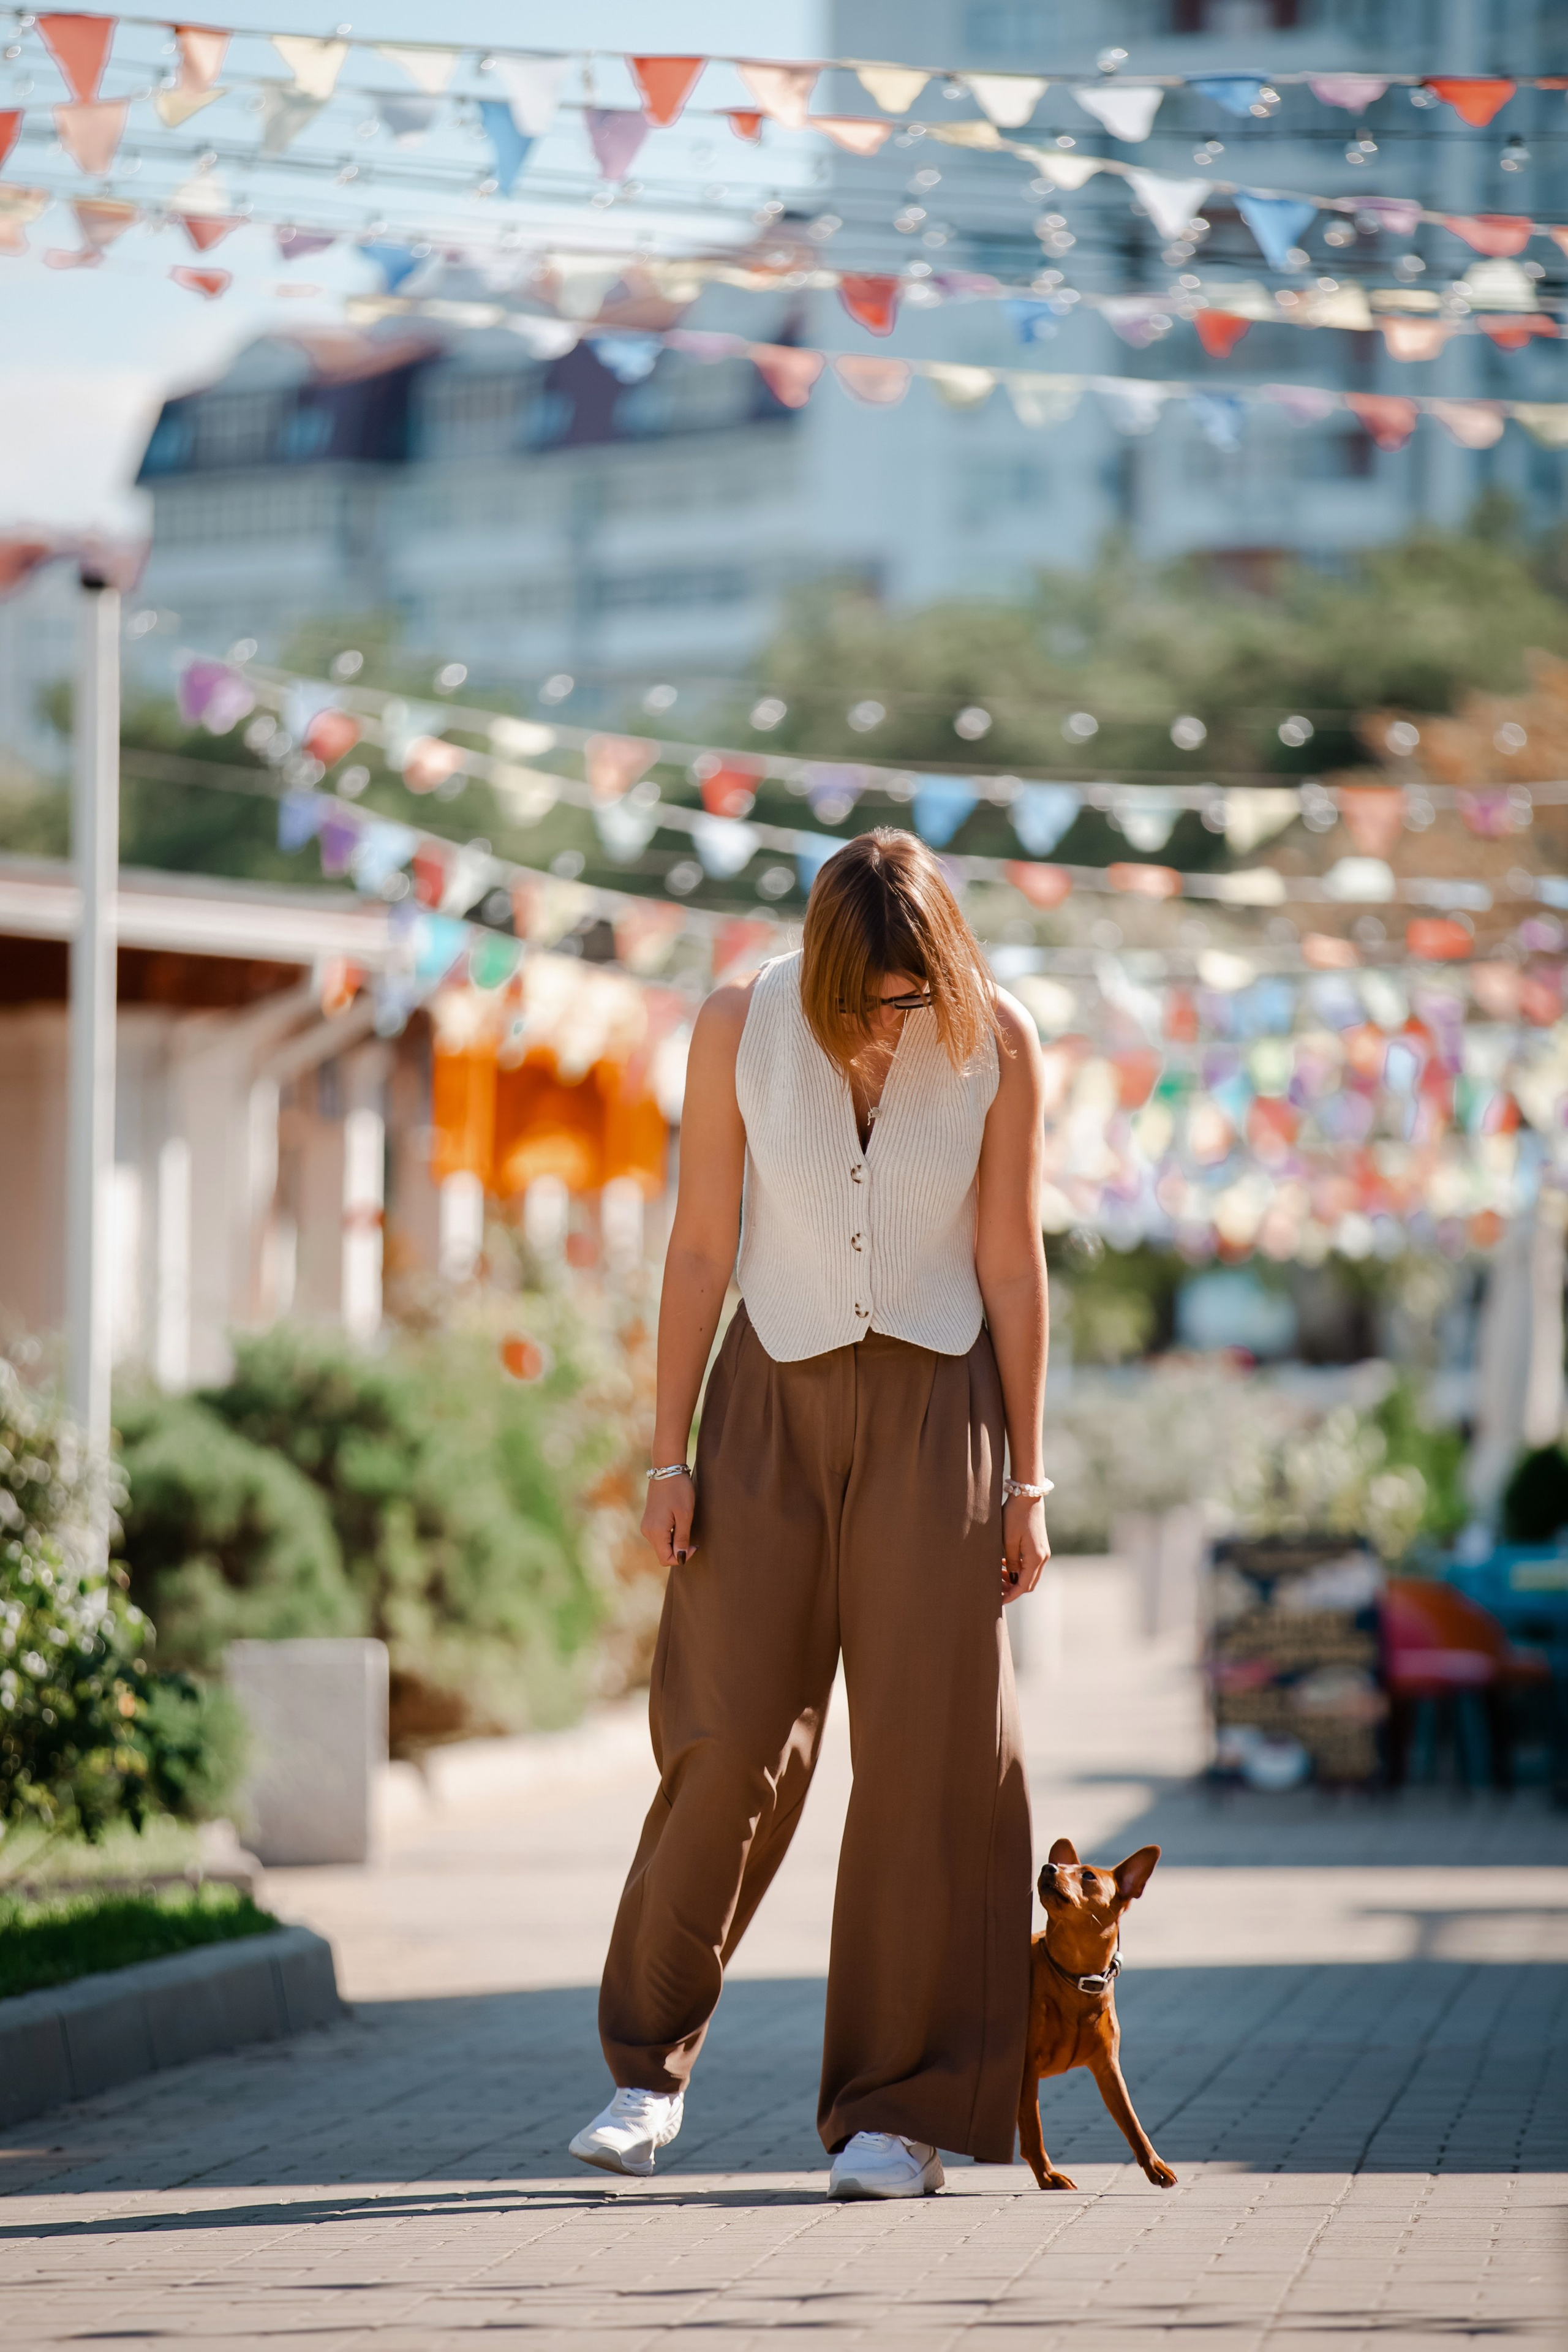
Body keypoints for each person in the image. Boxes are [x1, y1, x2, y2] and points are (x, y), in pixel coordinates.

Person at [570, 829, 1051, 2199]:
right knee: (721, 1741)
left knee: (927, 1763)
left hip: (938, 1410)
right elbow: (703, 1245)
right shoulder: (739, 1020)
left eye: (914, 996)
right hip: (764, 1408)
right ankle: (640, 2073)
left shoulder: (997, 1038)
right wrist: (668, 1455)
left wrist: (1026, 1479)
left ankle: (899, 2113)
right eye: (868, 1000)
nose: (891, 1023)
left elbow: (1011, 1267)